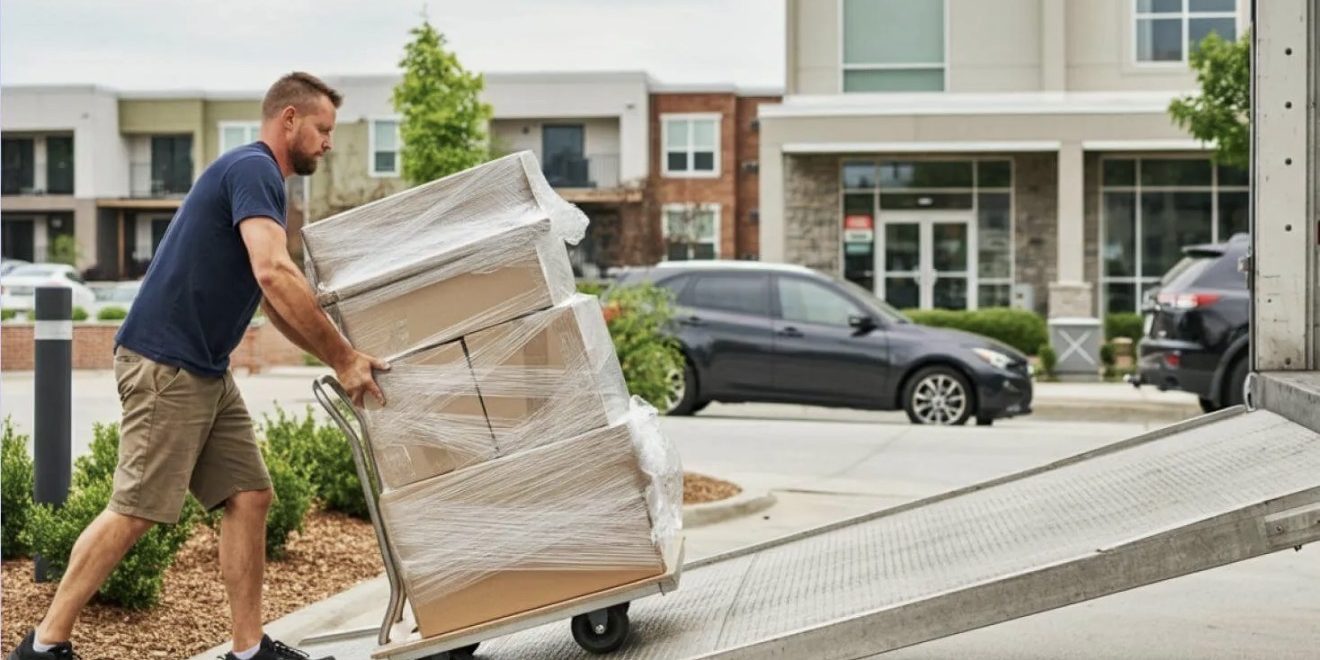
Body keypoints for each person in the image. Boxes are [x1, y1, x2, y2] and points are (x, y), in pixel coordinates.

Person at [10, 72, 388, 660]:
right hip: (167, 364)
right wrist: (344, 357)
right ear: (289, 119)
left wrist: (336, 355)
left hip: (205, 369)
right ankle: (44, 645)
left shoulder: (258, 180)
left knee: (249, 494)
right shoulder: (255, 169)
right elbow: (273, 271)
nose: (328, 143)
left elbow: (270, 296)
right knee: (134, 510)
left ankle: (247, 649)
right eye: (323, 129)